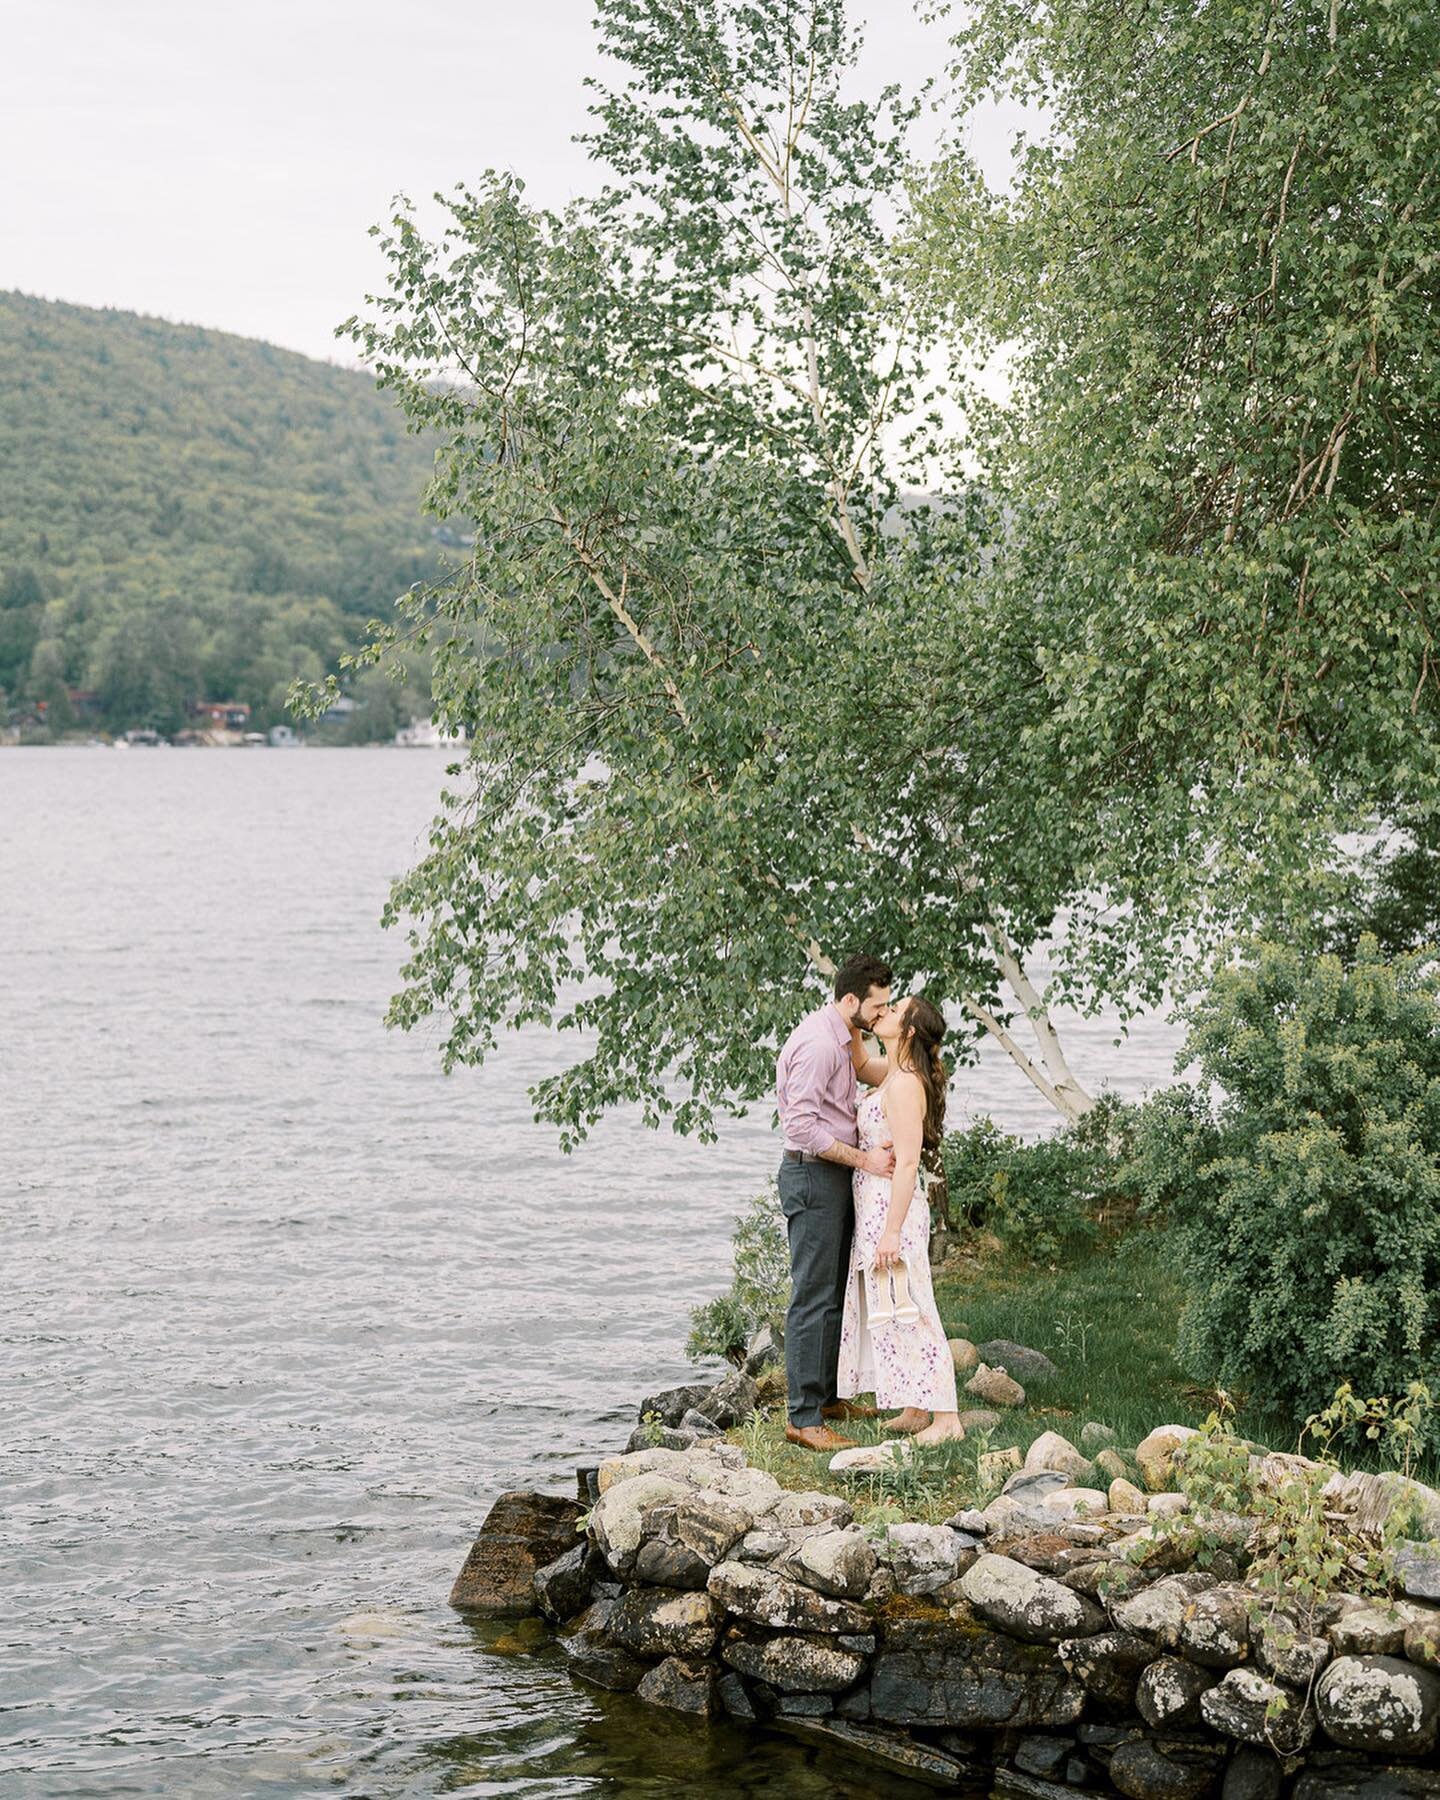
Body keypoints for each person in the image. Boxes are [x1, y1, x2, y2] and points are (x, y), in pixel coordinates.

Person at [774, 955, 896, 1452]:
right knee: (812, 1296)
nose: (881, 1013)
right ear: (851, 1000)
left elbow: (867, 1075)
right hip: (812, 1175)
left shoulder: (847, 1035)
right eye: (877, 1005)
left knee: (833, 1294)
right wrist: (865, 1161)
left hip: (831, 1174)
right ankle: (803, 1418)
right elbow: (800, 1127)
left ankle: (825, 1399)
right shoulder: (820, 1044)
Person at [835, 993, 965, 1446]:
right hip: (875, 1207)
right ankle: (915, 1405)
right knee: (892, 1306)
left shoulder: (907, 1084)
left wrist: (891, 1230)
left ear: (908, 1031)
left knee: (913, 1305)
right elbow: (857, 1061)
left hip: (896, 1210)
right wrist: (851, 1015)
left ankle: (946, 1418)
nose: (884, 1012)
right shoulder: (893, 1073)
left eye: (893, 1010)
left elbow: (908, 1163)